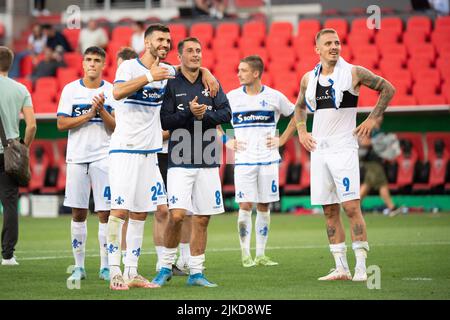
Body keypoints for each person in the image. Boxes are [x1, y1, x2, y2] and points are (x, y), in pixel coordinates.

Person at [107, 24, 218, 291]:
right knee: (120, 211)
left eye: (168, 41)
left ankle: (132, 271)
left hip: (150, 152)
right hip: (125, 149)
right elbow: (117, 92)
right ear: (147, 43)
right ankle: (114, 272)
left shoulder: (169, 71)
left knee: (141, 212)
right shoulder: (130, 68)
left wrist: (207, 71)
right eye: (160, 40)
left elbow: (189, 69)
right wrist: (148, 77)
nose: (166, 44)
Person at [294, 28, 395, 281]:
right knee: (329, 210)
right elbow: (298, 107)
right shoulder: (308, 78)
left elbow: (388, 88)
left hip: (343, 149)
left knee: (351, 206)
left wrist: (373, 117)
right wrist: (302, 131)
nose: (334, 47)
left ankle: (361, 267)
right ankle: (341, 267)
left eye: (337, 42)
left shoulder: (353, 73)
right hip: (319, 150)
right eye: (328, 43)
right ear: (317, 49)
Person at [152, 37, 231, 288]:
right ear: (180, 56)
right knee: (176, 216)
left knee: (202, 218)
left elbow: (227, 113)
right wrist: (189, 112)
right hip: (180, 159)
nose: (196, 55)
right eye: (190, 51)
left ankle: (196, 272)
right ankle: (165, 266)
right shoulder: (171, 84)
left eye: (199, 50)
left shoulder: (212, 82)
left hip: (208, 160)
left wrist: (204, 114)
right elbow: (164, 121)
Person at [220, 55, 297, 267]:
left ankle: (261, 254)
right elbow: (214, 121)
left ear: (256, 73)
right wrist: (226, 140)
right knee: (245, 205)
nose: (238, 73)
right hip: (244, 161)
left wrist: (282, 139)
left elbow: (298, 113)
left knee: (265, 205)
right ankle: (245, 254)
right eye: (238, 69)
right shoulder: (232, 97)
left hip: (268, 160)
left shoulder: (274, 96)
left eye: (243, 70)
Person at [56, 46, 115, 283]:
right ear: (82, 63)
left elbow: (115, 127)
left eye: (97, 60)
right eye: (88, 60)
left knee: (105, 213)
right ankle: (79, 266)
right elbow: (61, 124)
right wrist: (89, 115)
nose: (92, 63)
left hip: (104, 156)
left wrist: (101, 111)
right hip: (77, 157)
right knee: (78, 212)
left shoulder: (111, 90)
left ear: (103, 65)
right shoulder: (70, 90)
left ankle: (105, 266)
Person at [0, 46, 37, 266]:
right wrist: (24, 146)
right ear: (11, 64)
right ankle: (8, 255)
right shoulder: (21, 89)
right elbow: (31, 125)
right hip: (9, 153)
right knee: (10, 204)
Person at [358, 117, 402, 216]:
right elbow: (364, 142)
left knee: (367, 185)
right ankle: (392, 207)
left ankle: (356, 207)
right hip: (371, 161)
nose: (381, 118)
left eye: (381, 116)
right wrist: (377, 143)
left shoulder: (378, 130)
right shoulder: (370, 128)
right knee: (382, 184)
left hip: (376, 161)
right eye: (378, 116)